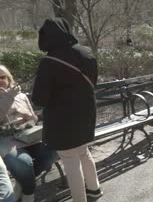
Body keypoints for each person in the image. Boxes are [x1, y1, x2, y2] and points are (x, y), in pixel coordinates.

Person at [32, 18, 102, 201]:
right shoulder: (86, 52)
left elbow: (39, 99)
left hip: (63, 120)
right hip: (86, 113)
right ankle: (94, 190)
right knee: (83, 153)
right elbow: (92, 83)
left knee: (70, 159)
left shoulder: (49, 61)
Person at [0, 65, 58, 202]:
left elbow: (34, 118)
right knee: (24, 163)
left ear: (8, 78)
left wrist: (27, 116)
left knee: (52, 152)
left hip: (29, 135)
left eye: (2, 77)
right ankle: (29, 194)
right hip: (7, 139)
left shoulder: (20, 96)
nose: (0, 80)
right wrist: (8, 98)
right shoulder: (11, 95)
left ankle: (23, 182)